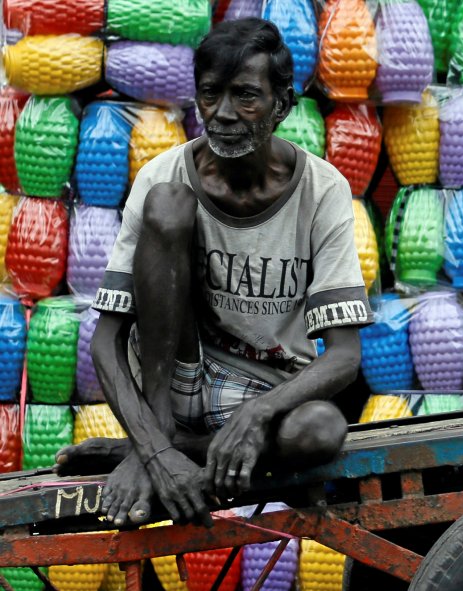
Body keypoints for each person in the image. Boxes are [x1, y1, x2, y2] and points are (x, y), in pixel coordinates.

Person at [54, 18, 370, 528]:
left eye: (246, 96)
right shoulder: (164, 175)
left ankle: (168, 446)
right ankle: (158, 436)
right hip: (173, 376)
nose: (222, 114)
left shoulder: (322, 189)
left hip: (265, 391)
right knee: (168, 205)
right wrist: (154, 450)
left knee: (322, 431)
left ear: (282, 105)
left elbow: (345, 357)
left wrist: (257, 412)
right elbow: (106, 341)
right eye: (209, 96)